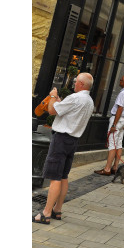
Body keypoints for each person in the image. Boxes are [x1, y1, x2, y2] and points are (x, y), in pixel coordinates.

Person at [33, 73, 94, 224]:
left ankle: (46, 213)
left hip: (61, 139)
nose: (73, 83)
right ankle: (57, 210)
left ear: (80, 83)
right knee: (63, 176)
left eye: (75, 81)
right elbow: (67, 110)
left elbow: (53, 111)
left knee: (55, 177)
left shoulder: (75, 97)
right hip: (73, 140)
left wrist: (53, 96)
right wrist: (59, 101)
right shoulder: (89, 101)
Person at [94, 75, 124, 176]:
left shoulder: (123, 93)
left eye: (120, 80)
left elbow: (120, 108)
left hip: (117, 119)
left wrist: (114, 124)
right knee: (118, 144)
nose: (119, 81)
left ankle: (107, 169)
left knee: (112, 144)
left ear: (123, 82)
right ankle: (115, 167)